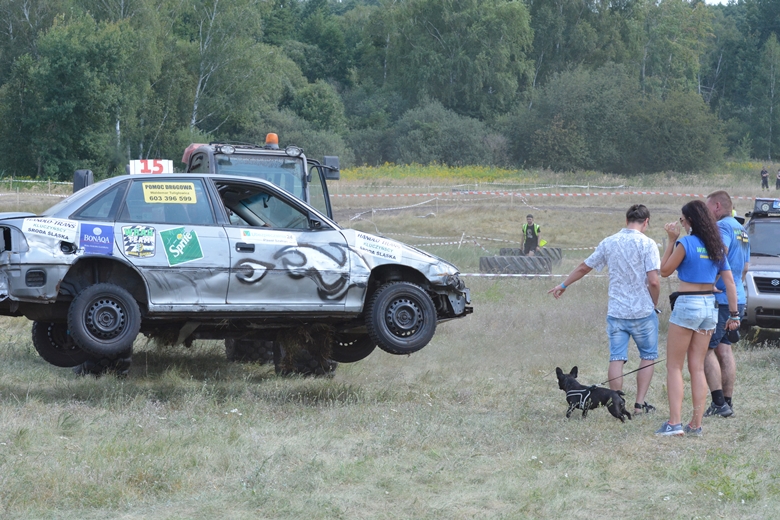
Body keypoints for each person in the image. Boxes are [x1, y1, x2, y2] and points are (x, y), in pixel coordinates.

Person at [549, 204, 661, 416]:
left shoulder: (610, 242)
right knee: (647, 356)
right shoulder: (648, 244)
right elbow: (654, 281)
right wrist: (653, 303)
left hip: (617, 311)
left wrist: (563, 285)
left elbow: (584, 267)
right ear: (646, 222)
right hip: (642, 311)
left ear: (626, 220)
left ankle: (616, 402)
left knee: (616, 358)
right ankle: (638, 405)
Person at [656, 200, 739, 436]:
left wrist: (672, 240)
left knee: (674, 366)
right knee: (697, 367)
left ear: (689, 221)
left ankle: (674, 423)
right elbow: (730, 282)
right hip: (709, 307)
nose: (681, 223)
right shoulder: (716, 246)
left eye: (682, 220)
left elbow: (664, 271)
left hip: (688, 303)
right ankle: (696, 423)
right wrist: (734, 314)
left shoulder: (686, 243)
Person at [704, 191, 750, 418]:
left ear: (717, 206)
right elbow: (745, 268)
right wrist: (736, 289)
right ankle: (727, 402)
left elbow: (718, 255)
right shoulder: (742, 229)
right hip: (737, 297)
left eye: (707, 207)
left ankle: (718, 403)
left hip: (721, 298)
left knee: (705, 349)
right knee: (724, 348)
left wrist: (710, 284)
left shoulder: (722, 228)